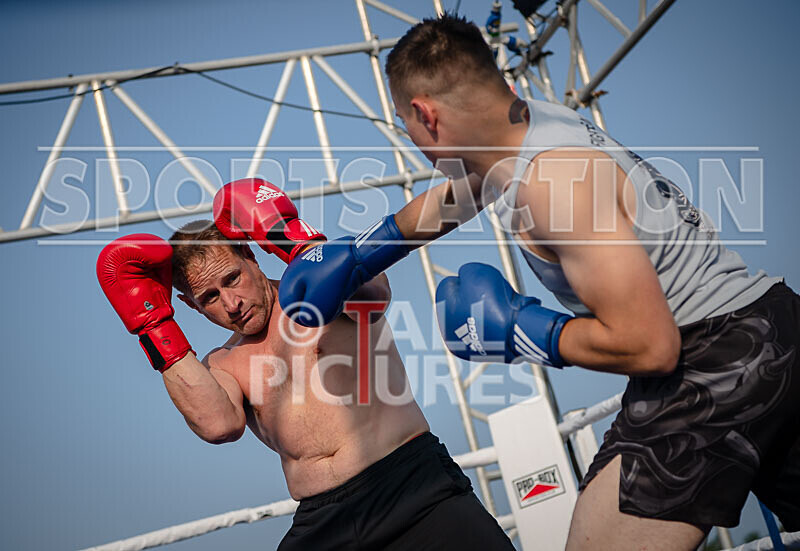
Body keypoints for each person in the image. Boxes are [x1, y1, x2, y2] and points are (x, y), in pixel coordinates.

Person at [276, 14, 800, 550]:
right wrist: (362, 255)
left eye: (403, 124)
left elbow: (651, 346)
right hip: (771, 324)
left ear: (424, 114)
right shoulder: (529, 126)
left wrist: (526, 330)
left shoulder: (552, 185)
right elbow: (458, 196)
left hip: (708, 361)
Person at [95, 178, 515, 550]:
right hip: (322, 520)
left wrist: (292, 238)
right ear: (189, 305)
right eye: (209, 298)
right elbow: (216, 424)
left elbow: (376, 292)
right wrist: (151, 324)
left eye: (232, 279)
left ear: (251, 255)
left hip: (411, 487)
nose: (231, 303)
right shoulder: (221, 361)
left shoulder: (316, 292)